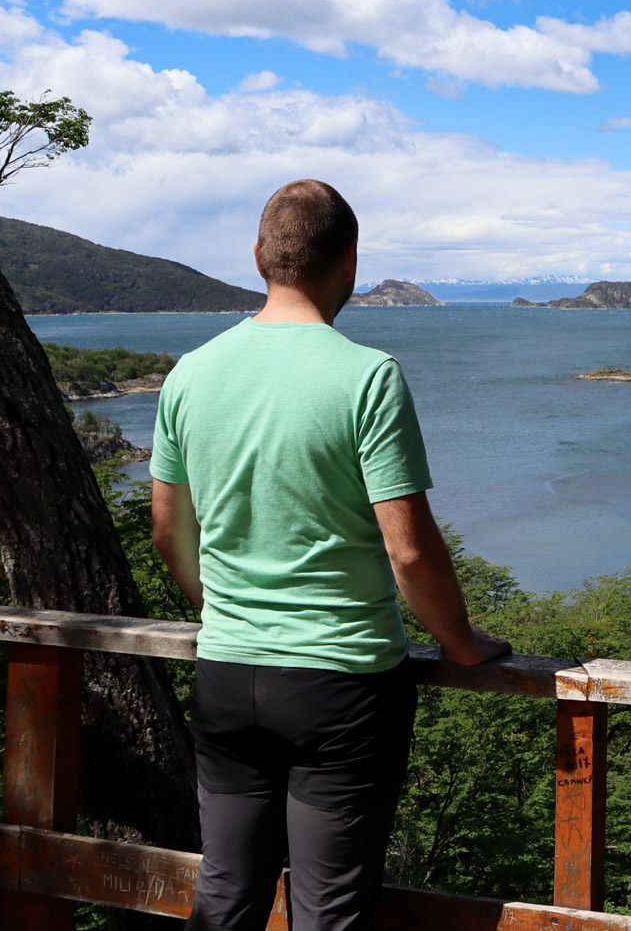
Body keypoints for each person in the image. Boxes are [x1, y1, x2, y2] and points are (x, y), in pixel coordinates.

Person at [149, 179, 510, 931]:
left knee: (224, 895)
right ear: (349, 260)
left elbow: (167, 530)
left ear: (258, 257)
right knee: (329, 911)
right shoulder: (367, 376)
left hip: (227, 671)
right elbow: (408, 549)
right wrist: (460, 642)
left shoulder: (188, 374)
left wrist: (222, 611)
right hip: (341, 685)